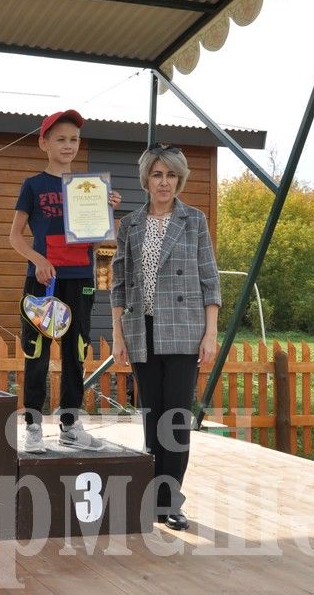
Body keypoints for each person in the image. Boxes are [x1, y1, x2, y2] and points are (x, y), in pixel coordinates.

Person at [110, 143, 221, 531]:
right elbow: (119, 284)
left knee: (175, 420)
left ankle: (171, 501)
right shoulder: (130, 225)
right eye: (157, 174)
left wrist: (211, 332)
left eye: (171, 175)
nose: (164, 182)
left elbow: (210, 279)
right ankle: (153, 500)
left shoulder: (195, 220)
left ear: (179, 179)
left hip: (185, 331)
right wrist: (118, 335)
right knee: (152, 419)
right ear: (146, 179)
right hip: (143, 332)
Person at [9, 110, 121, 453]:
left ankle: (71, 424)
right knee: (37, 352)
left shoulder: (88, 188)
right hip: (43, 282)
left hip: (82, 281)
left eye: (74, 139)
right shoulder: (33, 185)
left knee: (76, 352)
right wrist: (38, 260)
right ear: (44, 143)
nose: (68, 145)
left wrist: (109, 211)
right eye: (60, 138)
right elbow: (15, 236)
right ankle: (32, 428)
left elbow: (109, 241)